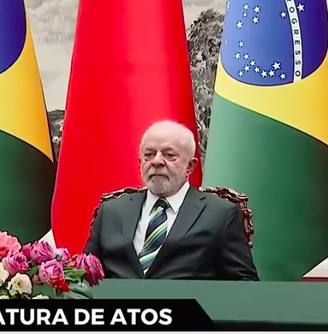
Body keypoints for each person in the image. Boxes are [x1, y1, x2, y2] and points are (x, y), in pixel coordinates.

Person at [83, 120, 259, 281]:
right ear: (140, 162)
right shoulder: (111, 211)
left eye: (169, 155)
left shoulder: (220, 214)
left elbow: (245, 283)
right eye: (149, 154)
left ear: (190, 166)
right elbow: (82, 276)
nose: (156, 161)